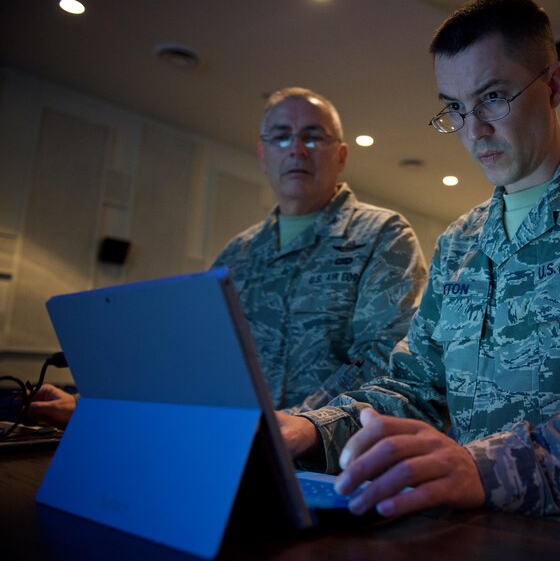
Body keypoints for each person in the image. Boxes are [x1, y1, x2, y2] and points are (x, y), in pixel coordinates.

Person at [277, 0, 560, 530]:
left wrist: (491, 468)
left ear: (555, 85)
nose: (473, 130)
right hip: (489, 534)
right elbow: (414, 389)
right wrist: (311, 428)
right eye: (454, 107)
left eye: (493, 96)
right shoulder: (460, 243)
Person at [27, 87, 428, 423]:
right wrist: (92, 407)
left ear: (340, 155)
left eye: (313, 136)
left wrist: (295, 425)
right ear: (263, 155)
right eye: (282, 136)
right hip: (232, 450)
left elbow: (385, 359)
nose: (298, 149)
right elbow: (196, 362)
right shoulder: (237, 255)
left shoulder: (382, 235)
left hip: (335, 460)